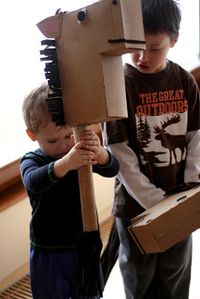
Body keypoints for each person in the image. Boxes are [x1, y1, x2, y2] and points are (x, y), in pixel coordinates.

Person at [103, 0, 200, 298]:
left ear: (174, 40)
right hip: (135, 208)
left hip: (178, 198)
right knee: (138, 275)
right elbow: (120, 153)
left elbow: (196, 136)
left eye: (155, 47)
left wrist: (191, 183)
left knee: (175, 272)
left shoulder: (184, 80)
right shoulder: (118, 84)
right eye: (136, 46)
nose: (143, 56)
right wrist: (155, 201)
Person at [20, 82, 119, 299]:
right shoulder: (32, 160)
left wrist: (100, 153)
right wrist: (66, 163)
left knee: (88, 292)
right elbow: (33, 182)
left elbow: (112, 169)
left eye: (68, 136)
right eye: (53, 140)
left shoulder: (78, 150)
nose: (64, 145)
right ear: (32, 135)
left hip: (84, 244)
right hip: (49, 248)